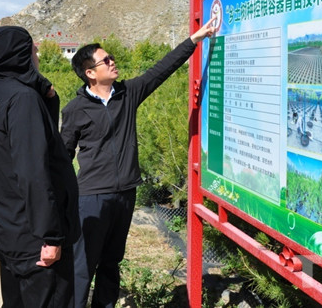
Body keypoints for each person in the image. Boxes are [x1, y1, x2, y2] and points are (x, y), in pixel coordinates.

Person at [62, 20, 214, 308]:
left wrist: (193, 40)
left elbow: (161, 70)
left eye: (111, 57)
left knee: (111, 263)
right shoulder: (75, 109)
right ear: (90, 73)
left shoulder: (127, 94)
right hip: (92, 197)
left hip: (125, 194)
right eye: (106, 60)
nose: (112, 62)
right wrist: (63, 201)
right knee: (83, 266)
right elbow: (63, 156)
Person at [0, 26, 79, 308]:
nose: (38, 56)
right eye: (33, 50)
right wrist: (51, 236)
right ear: (21, 54)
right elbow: (34, 172)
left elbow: (41, 142)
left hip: (9, 229)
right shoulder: (23, 98)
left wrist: (48, 96)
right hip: (36, 238)